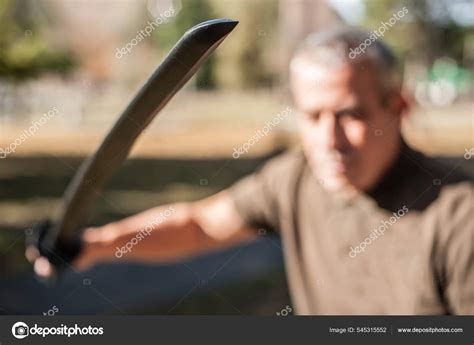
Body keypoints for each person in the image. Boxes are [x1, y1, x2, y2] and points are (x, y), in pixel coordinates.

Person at [26, 27, 473, 315]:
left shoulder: (460, 216)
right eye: (312, 116)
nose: (329, 140)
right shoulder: (294, 179)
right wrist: (96, 244)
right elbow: (201, 224)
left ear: (398, 107)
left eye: (350, 115)